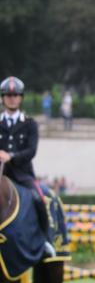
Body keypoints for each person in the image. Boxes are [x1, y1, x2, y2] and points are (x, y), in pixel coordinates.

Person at [0, 77, 55, 256]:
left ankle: (45, 241)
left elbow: (31, 150)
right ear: (2, 98)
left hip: (22, 174)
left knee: (39, 199)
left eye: (15, 95)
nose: (11, 98)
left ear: (21, 98)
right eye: (8, 95)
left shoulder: (29, 123)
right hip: (1, 174)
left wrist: (11, 156)